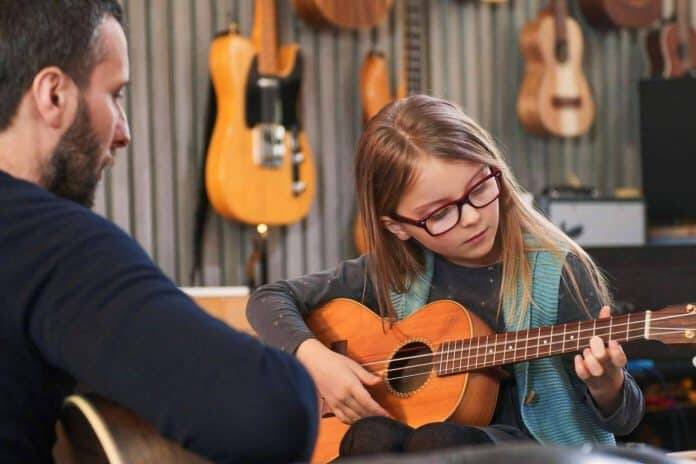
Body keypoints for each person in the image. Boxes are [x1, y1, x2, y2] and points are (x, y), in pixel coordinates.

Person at [0, 1, 317, 463]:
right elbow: (277, 411)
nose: (124, 132)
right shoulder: (51, 242)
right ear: (54, 96)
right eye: (115, 94)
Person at [247, 95, 645, 457]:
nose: (471, 217)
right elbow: (267, 300)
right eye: (440, 213)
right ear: (397, 226)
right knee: (369, 437)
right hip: (427, 446)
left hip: (538, 451)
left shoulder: (557, 272)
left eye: (479, 188)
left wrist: (606, 384)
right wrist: (317, 360)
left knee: (439, 443)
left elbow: (626, 419)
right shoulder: (397, 272)